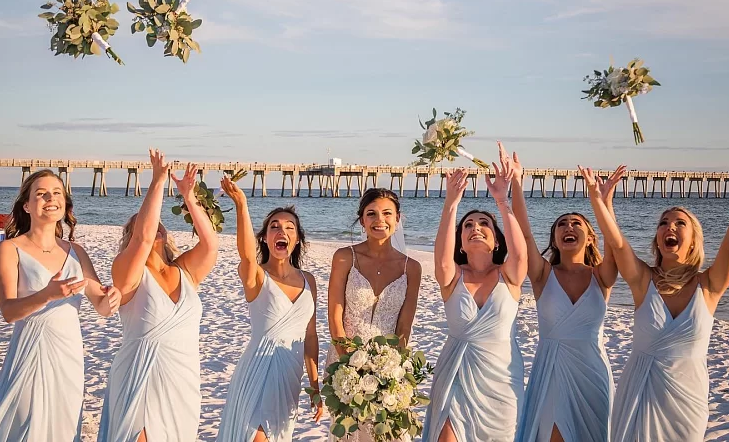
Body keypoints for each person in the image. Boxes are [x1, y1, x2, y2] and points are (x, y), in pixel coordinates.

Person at [580, 164, 729, 441]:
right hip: (639, 392)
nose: (669, 227)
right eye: (663, 223)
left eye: (679, 223)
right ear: (658, 241)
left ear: (694, 241)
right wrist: (600, 201)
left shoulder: (709, 286)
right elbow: (617, 243)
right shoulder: (642, 280)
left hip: (687, 400)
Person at [0, 169, 120, 441]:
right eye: (41, 193)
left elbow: (101, 306)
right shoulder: (8, 249)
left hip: (68, 355)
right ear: (27, 205)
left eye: (57, 192)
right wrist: (46, 294)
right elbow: (9, 312)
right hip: (31, 351)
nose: (51, 198)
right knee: (24, 428)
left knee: (63, 429)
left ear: (65, 203)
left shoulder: (76, 251)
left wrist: (111, 298)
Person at [98, 149, 219, 442]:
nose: (155, 227)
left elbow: (211, 245)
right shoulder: (127, 272)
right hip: (140, 371)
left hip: (183, 375)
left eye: (159, 224)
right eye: (144, 223)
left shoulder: (186, 271)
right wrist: (157, 181)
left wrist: (189, 197)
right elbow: (143, 237)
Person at [512, 147, 625, 441]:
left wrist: (604, 201)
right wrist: (516, 182)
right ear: (555, 239)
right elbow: (524, 234)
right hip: (552, 369)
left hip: (593, 370)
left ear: (589, 237)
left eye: (576, 223)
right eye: (562, 224)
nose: (569, 227)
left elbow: (617, 245)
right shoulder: (542, 275)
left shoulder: (602, 276)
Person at [422, 145, 529, 442]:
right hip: (456, 372)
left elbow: (521, 256)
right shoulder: (451, 277)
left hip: (502, 377)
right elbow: (442, 260)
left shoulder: (509, 276)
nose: (476, 228)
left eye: (484, 224)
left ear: (497, 241)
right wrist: (451, 204)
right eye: (468, 226)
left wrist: (502, 202)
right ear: (460, 243)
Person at [217, 177, 322, 442]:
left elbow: (311, 337)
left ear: (296, 239)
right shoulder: (256, 276)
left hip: (290, 374)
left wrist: (314, 386)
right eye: (274, 227)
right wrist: (242, 205)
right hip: (258, 368)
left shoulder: (309, 280)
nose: (281, 231)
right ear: (264, 238)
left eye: (289, 227)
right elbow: (246, 255)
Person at [326, 188, 422, 441]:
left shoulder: (411, 267)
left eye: (387, 213)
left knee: (389, 433)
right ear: (362, 220)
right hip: (344, 358)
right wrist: (348, 364)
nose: (380, 220)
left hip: (388, 364)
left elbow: (404, 327)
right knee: (348, 432)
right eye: (372, 214)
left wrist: (393, 369)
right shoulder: (345, 257)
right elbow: (335, 314)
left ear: (398, 219)